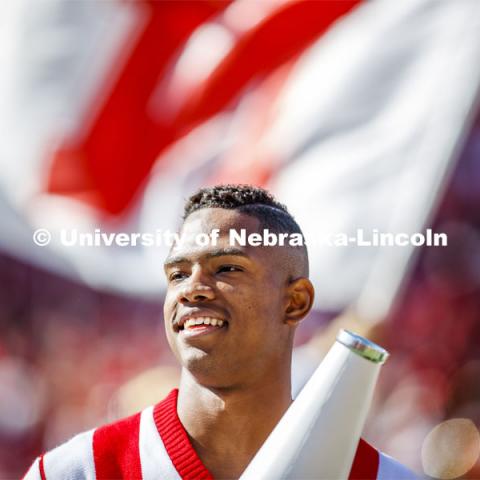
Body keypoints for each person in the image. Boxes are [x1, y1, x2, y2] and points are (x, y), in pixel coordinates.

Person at [24, 184, 415, 479]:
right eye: (177, 273)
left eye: (228, 268)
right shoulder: (76, 471)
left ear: (295, 301)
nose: (190, 288)